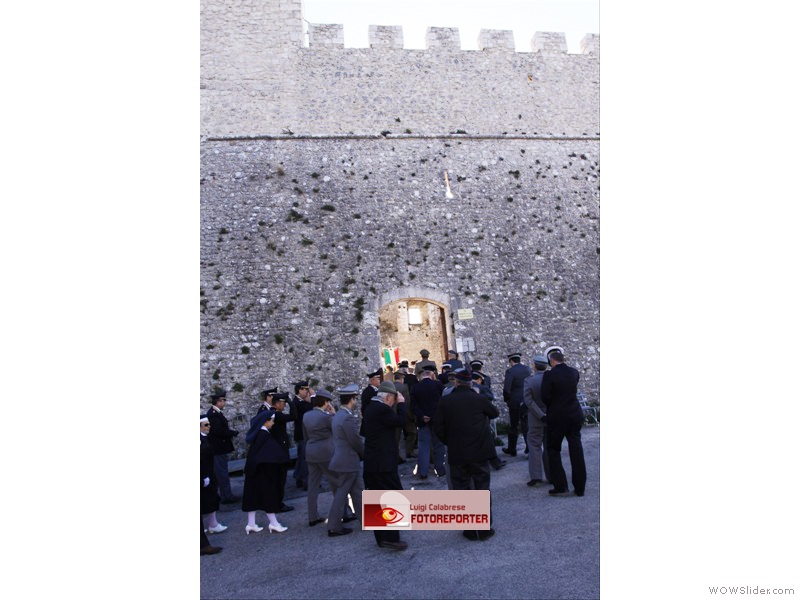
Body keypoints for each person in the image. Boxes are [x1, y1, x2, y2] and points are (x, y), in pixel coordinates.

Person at [433, 368, 499, 541]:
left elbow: (438, 427)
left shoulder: (446, 401)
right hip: (479, 451)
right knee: (481, 489)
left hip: (458, 452)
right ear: (470, 383)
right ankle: (483, 528)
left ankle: (469, 529)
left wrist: (449, 441)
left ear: (456, 382)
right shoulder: (478, 398)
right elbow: (494, 413)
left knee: (462, 490)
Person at [362, 380, 409, 551]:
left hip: (372, 462)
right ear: (389, 397)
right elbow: (401, 421)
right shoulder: (382, 409)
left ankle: (382, 538)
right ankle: (391, 538)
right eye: (393, 400)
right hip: (383, 464)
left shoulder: (370, 408)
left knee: (376, 500)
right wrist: (402, 404)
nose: (393, 403)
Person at [541, 350, 586, 497]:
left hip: (557, 416)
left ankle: (560, 485)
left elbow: (545, 397)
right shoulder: (574, 372)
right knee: (576, 450)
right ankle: (580, 487)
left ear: (551, 360)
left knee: (553, 450)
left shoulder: (549, 375)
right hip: (574, 413)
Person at [241, 409, 289, 534]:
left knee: (253, 496)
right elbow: (268, 454)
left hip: (255, 471)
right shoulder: (264, 435)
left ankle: (251, 524)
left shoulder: (259, 435)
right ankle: (273, 523)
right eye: (271, 421)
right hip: (263, 472)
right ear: (265, 422)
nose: (273, 423)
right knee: (268, 497)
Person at [327, 384, 364, 536]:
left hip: (343, 459)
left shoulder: (338, 415)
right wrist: (364, 452)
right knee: (343, 494)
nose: (356, 402)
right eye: (355, 399)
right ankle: (334, 526)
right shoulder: (347, 417)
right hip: (348, 461)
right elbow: (354, 440)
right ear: (351, 399)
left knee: (358, 491)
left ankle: (365, 519)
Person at [303, 389, 342, 531]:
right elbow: (338, 428)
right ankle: (345, 512)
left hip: (311, 451)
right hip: (326, 452)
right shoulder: (326, 417)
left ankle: (312, 516)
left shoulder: (306, 416)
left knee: (313, 485)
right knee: (336, 483)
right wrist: (334, 413)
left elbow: (305, 436)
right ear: (325, 402)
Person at [258, 391, 295, 512]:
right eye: (283, 403)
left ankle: (275, 503)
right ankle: (278, 504)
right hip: (279, 451)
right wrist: (290, 402)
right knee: (280, 479)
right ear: (278, 404)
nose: (284, 406)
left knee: (277, 479)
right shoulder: (276, 415)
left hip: (276, 450)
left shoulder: (272, 413)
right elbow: (294, 416)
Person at [206, 389, 240, 503]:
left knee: (221, 473)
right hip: (218, 449)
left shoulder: (216, 413)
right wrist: (232, 433)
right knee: (222, 473)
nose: (224, 403)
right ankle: (227, 496)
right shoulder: (213, 414)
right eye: (223, 401)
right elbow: (218, 431)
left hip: (219, 448)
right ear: (218, 401)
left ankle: (225, 495)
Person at [412, 366, 446, 479]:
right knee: (439, 446)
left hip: (423, 421)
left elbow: (413, 406)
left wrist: (422, 416)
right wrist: (434, 416)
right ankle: (440, 469)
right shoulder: (438, 385)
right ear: (432, 374)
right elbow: (441, 403)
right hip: (437, 421)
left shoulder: (415, 387)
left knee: (423, 446)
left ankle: (423, 472)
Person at [522, 356, 551, 486]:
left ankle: (536, 477)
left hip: (535, 418)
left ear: (535, 366)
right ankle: (551, 475)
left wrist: (540, 415)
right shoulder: (551, 379)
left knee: (534, 447)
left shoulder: (530, 381)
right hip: (551, 416)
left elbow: (528, 401)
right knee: (549, 447)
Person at [471, 371, 505, 470]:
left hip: (471, 420)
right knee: (488, 440)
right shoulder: (483, 388)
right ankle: (495, 462)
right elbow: (491, 397)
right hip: (483, 418)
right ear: (479, 380)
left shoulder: (468, 388)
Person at [201, 416, 227, 536]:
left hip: (209, 472)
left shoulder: (205, 438)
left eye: (209, 424)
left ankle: (213, 524)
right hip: (205, 473)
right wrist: (203, 476)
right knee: (207, 499)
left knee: (212, 498)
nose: (209, 427)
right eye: (206, 425)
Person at [502, 353, 531, 457]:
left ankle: (512, 449)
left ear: (511, 361)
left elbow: (506, 389)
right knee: (526, 425)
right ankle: (529, 448)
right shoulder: (527, 369)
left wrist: (507, 400)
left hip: (514, 401)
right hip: (526, 400)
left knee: (514, 425)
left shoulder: (510, 371)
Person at [291, 381, 314, 491]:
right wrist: (312, 397)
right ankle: (306, 481)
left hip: (303, 434)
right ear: (300, 390)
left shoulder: (300, 401)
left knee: (301, 458)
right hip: (303, 434)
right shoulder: (297, 402)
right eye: (306, 390)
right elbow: (312, 408)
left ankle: (299, 478)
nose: (307, 392)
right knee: (305, 459)